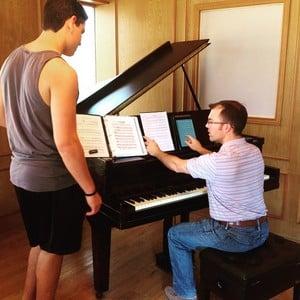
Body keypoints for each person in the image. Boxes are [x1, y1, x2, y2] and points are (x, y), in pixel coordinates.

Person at [0, 1, 102, 299]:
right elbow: (66, 143)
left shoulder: (11, 59)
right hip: (52, 180)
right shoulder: (61, 71)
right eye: (82, 31)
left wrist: (28, 132)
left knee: (39, 243)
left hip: (20, 174)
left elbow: (3, 116)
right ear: (71, 21)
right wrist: (90, 190)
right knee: (53, 250)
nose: (81, 40)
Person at [144, 100, 268, 300]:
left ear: (227, 127)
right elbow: (224, 164)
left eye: (211, 122)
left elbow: (176, 165)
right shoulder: (253, 151)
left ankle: (185, 295)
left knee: (175, 235)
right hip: (260, 230)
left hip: (233, 235)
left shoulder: (217, 161)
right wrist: (201, 149)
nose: (205, 125)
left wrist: (157, 152)